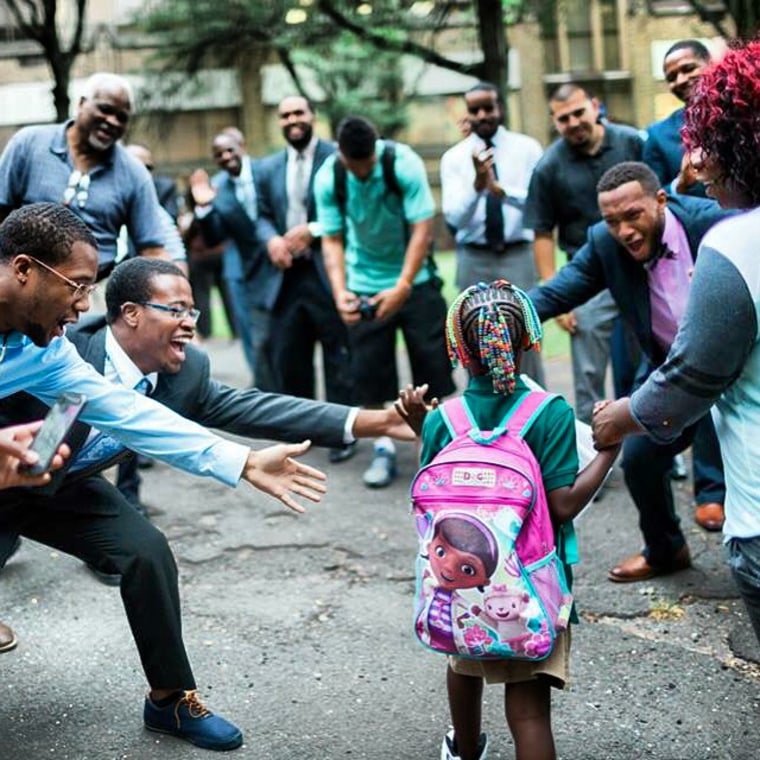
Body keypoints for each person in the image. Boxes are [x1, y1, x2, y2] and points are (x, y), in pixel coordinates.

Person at [0, 202, 326, 751]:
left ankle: (171, 701)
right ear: (26, 270)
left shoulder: (46, 350)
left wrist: (242, 462)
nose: (83, 307)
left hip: (40, 475)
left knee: (145, 549)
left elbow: (129, 413)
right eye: (77, 287)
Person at [2, 256, 415, 567]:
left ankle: (172, 685)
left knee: (148, 554)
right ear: (130, 313)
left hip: (62, 487)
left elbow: (258, 408)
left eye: (192, 312)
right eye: (176, 310)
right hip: (9, 473)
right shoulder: (61, 344)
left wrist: (376, 421)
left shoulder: (184, 376)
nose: (189, 324)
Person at [592, 40, 760, 647]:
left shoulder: (733, 241)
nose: (696, 163)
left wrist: (618, 416)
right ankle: (666, 546)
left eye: (709, 145)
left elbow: (691, 378)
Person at [410, 280, 618, 760]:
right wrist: (609, 453)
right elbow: (562, 505)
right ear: (527, 339)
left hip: (459, 588)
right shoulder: (550, 413)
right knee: (528, 714)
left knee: (463, 667)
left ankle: (464, 750)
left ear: (459, 349)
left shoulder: (446, 417)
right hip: (531, 584)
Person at [529, 161, 728, 581]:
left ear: (660, 201)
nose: (624, 231)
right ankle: (665, 549)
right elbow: (560, 289)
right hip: (669, 370)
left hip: (741, 369)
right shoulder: (605, 244)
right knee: (638, 458)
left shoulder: (713, 223)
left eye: (633, 215)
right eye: (612, 220)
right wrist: (503, 312)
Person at [315, 115, 455, 488]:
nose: (361, 172)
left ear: (376, 149)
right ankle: (383, 448)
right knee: (370, 376)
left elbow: (423, 227)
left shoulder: (402, 163)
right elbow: (331, 238)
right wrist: (340, 292)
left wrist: (404, 285)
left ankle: (438, 447)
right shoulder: (331, 175)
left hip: (416, 282)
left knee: (433, 371)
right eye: (353, 166)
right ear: (342, 156)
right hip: (363, 282)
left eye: (367, 165)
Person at [524, 83, 643, 423]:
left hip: (639, 269)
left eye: (579, 113)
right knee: (588, 373)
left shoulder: (631, 142)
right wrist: (557, 295)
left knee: (644, 362)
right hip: (586, 279)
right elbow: (542, 231)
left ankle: (655, 444)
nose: (574, 122)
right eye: (564, 118)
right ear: (555, 122)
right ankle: (590, 449)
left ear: (595, 106)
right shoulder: (549, 166)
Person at [255, 95, 356, 463]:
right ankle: (303, 430)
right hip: (285, 277)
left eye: (299, 112)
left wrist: (314, 230)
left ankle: (341, 433)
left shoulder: (336, 157)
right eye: (285, 115)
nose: (293, 119)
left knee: (337, 355)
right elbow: (262, 214)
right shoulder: (267, 167)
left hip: (325, 271)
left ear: (312, 116)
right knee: (291, 356)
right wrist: (270, 239)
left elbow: (349, 209)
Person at [0, 72, 169, 281]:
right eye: (105, 109)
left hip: (93, 290)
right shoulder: (29, 144)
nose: (112, 121)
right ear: (81, 103)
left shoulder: (135, 173)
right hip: (24, 280)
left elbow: (152, 248)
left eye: (122, 117)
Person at [440, 81, 545, 384]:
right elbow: (455, 218)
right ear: (468, 114)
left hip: (517, 254)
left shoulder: (527, 148)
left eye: (489, 107)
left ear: (501, 108)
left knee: (526, 335)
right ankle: (482, 418)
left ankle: (533, 414)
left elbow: (537, 203)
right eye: (475, 110)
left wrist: (501, 191)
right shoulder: (454, 158)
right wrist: (477, 184)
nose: (483, 115)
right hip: (474, 258)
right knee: (472, 338)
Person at [189, 129, 271, 387]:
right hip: (239, 266)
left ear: (242, 147)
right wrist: (203, 207)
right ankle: (260, 382)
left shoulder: (266, 171)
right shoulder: (217, 186)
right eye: (218, 154)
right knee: (247, 328)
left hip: (275, 261)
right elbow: (214, 237)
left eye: (229, 150)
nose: (225, 157)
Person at [643, 39, 712, 196]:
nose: (680, 80)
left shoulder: (743, 114)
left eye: (688, 69)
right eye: (672, 77)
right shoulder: (658, 135)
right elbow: (651, 196)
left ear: (711, 64)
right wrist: (680, 183)